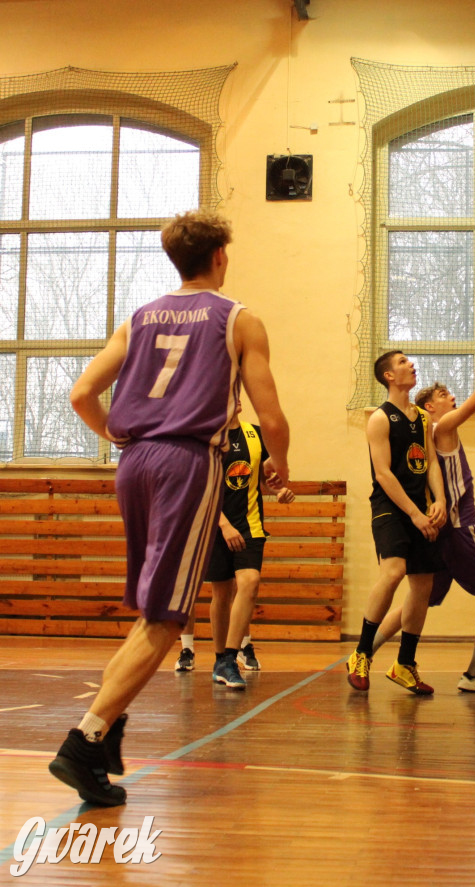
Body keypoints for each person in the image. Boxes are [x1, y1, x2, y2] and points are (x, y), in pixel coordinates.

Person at [48, 209, 290, 807]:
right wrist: (280, 462)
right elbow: (273, 417)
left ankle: (109, 734)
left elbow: (81, 394)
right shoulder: (239, 318)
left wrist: (120, 439)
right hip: (188, 462)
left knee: (152, 609)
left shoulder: (139, 317)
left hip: (133, 463)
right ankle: (86, 739)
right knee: (167, 620)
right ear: (219, 258)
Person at [373, 330, 475, 693]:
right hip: (461, 526)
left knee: (417, 600)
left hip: (438, 531)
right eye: (444, 395)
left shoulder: (424, 429)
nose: (452, 398)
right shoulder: (441, 426)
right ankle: (474, 674)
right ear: (430, 407)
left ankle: (363, 654)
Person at [174, 401, 296, 689]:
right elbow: (199, 489)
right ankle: (218, 658)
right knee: (222, 592)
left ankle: (231, 657)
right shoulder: (205, 439)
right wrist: (224, 525)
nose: (235, 397)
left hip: (250, 525)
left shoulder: (255, 435)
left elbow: (264, 479)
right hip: (214, 525)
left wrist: (278, 489)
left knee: (250, 581)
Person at [345, 349, 446, 695]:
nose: (411, 365)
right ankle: (361, 653)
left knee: (423, 585)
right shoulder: (379, 418)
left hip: (420, 507)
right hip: (390, 508)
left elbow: (431, 462)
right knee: (393, 572)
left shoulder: (421, 418)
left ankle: (404, 664)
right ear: (389, 375)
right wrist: (415, 515)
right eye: (403, 362)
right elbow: (384, 474)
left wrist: (440, 500)